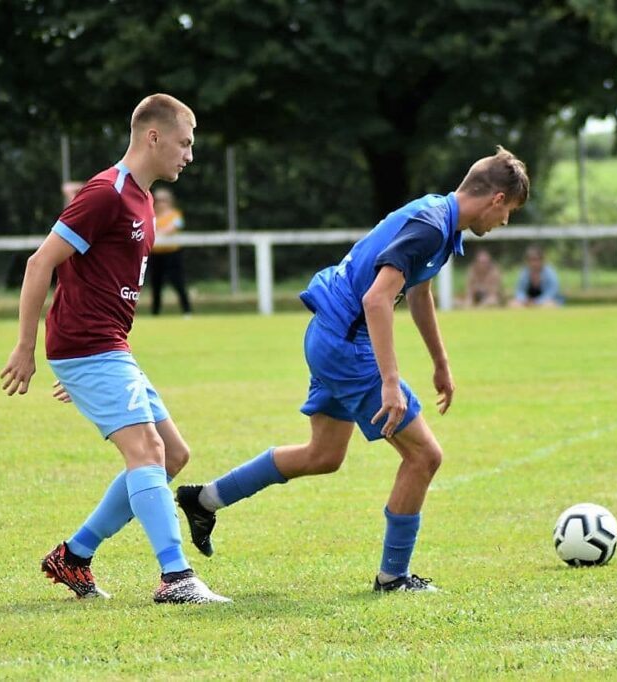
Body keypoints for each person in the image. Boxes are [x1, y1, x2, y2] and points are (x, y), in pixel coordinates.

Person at [176, 146, 530, 593]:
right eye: (509, 212)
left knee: (323, 455)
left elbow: (417, 294)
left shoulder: (439, 220)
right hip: (347, 344)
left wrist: (440, 362)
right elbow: (376, 299)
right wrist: (389, 383)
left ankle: (203, 499)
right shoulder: (429, 227)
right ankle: (393, 577)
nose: (504, 223)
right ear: (497, 199)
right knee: (424, 456)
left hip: (327, 333)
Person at [0, 93, 229, 605]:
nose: (189, 154)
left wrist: (86, 367)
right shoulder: (105, 193)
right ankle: (177, 579)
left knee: (172, 454)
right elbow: (40, 264)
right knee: (146, 451)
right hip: (90, 346)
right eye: (184, 142)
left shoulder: (144, 200)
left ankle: (74, 556)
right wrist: (27, 348)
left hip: (103, 348)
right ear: (153, 136)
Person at [149, 187, 193, 316]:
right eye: (158, 200)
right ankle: (155, 313)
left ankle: (187, 311)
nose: (160, 203)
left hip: (172, 255)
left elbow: (173, 228)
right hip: (156, 255)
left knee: (178, 282)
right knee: (156, 285)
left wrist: (158, 233)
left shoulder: (175, 215)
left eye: (163, 200)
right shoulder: (151, 215)